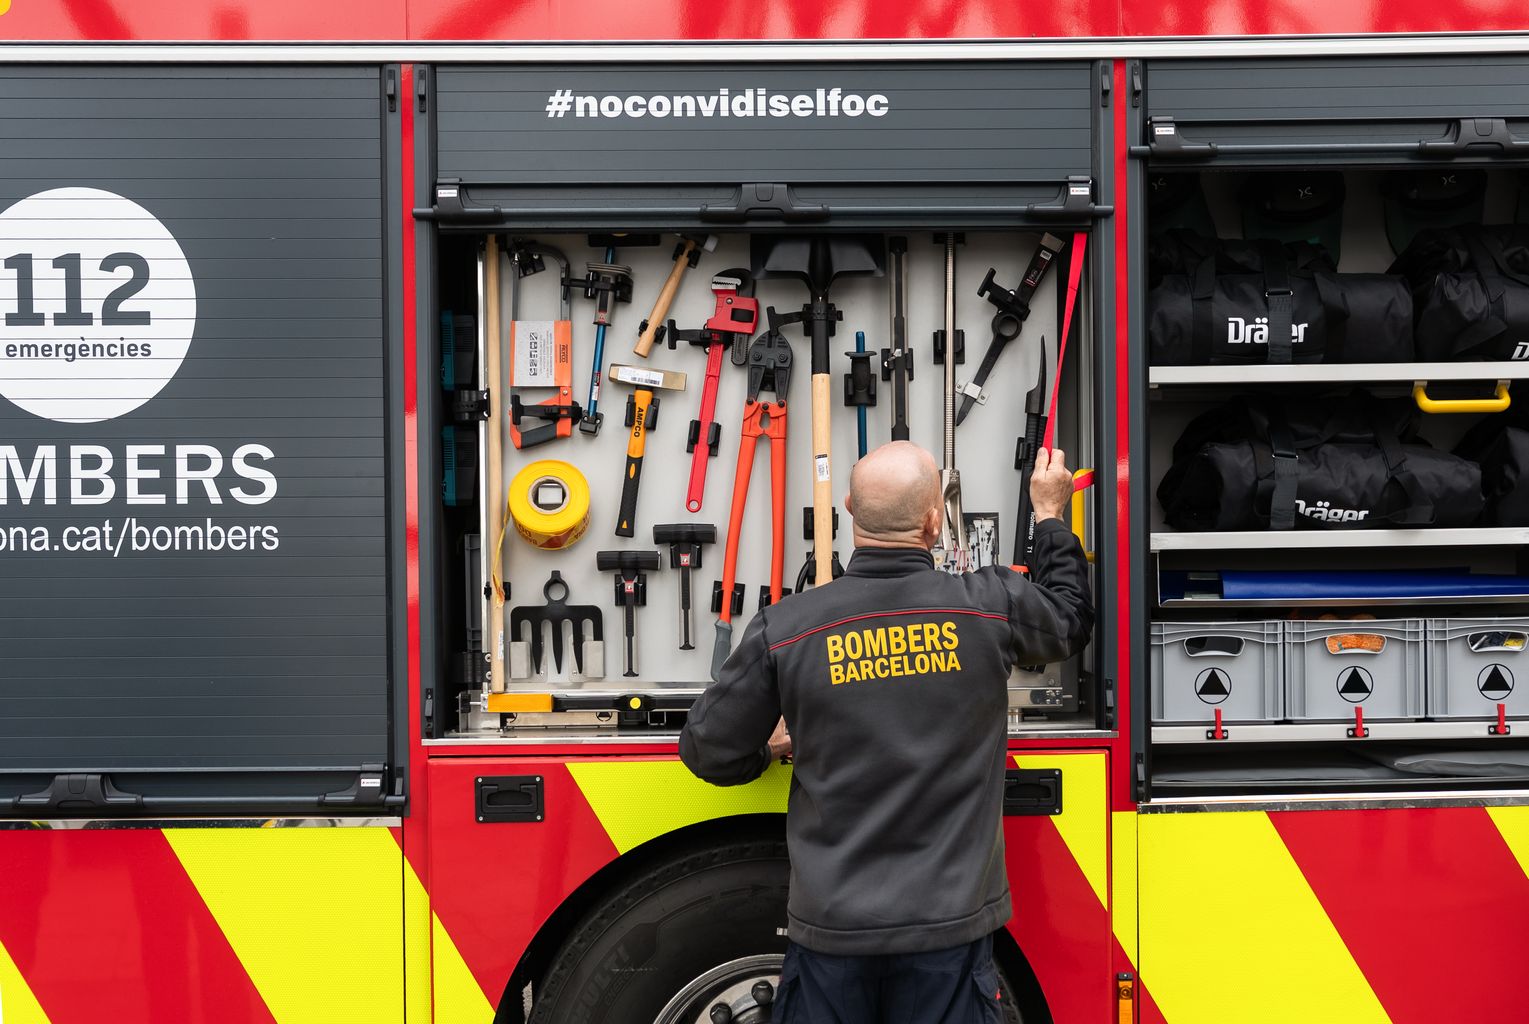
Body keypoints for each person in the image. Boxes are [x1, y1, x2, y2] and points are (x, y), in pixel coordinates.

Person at [679, 440, 1093, 1023]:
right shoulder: (989, 605)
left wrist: (767, 753)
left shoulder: (787, 627)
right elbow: (1069, 618)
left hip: (831, 938)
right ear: (933, 522)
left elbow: (707, 749)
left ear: (849, 509)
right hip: (948, 937)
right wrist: (1049, 516)